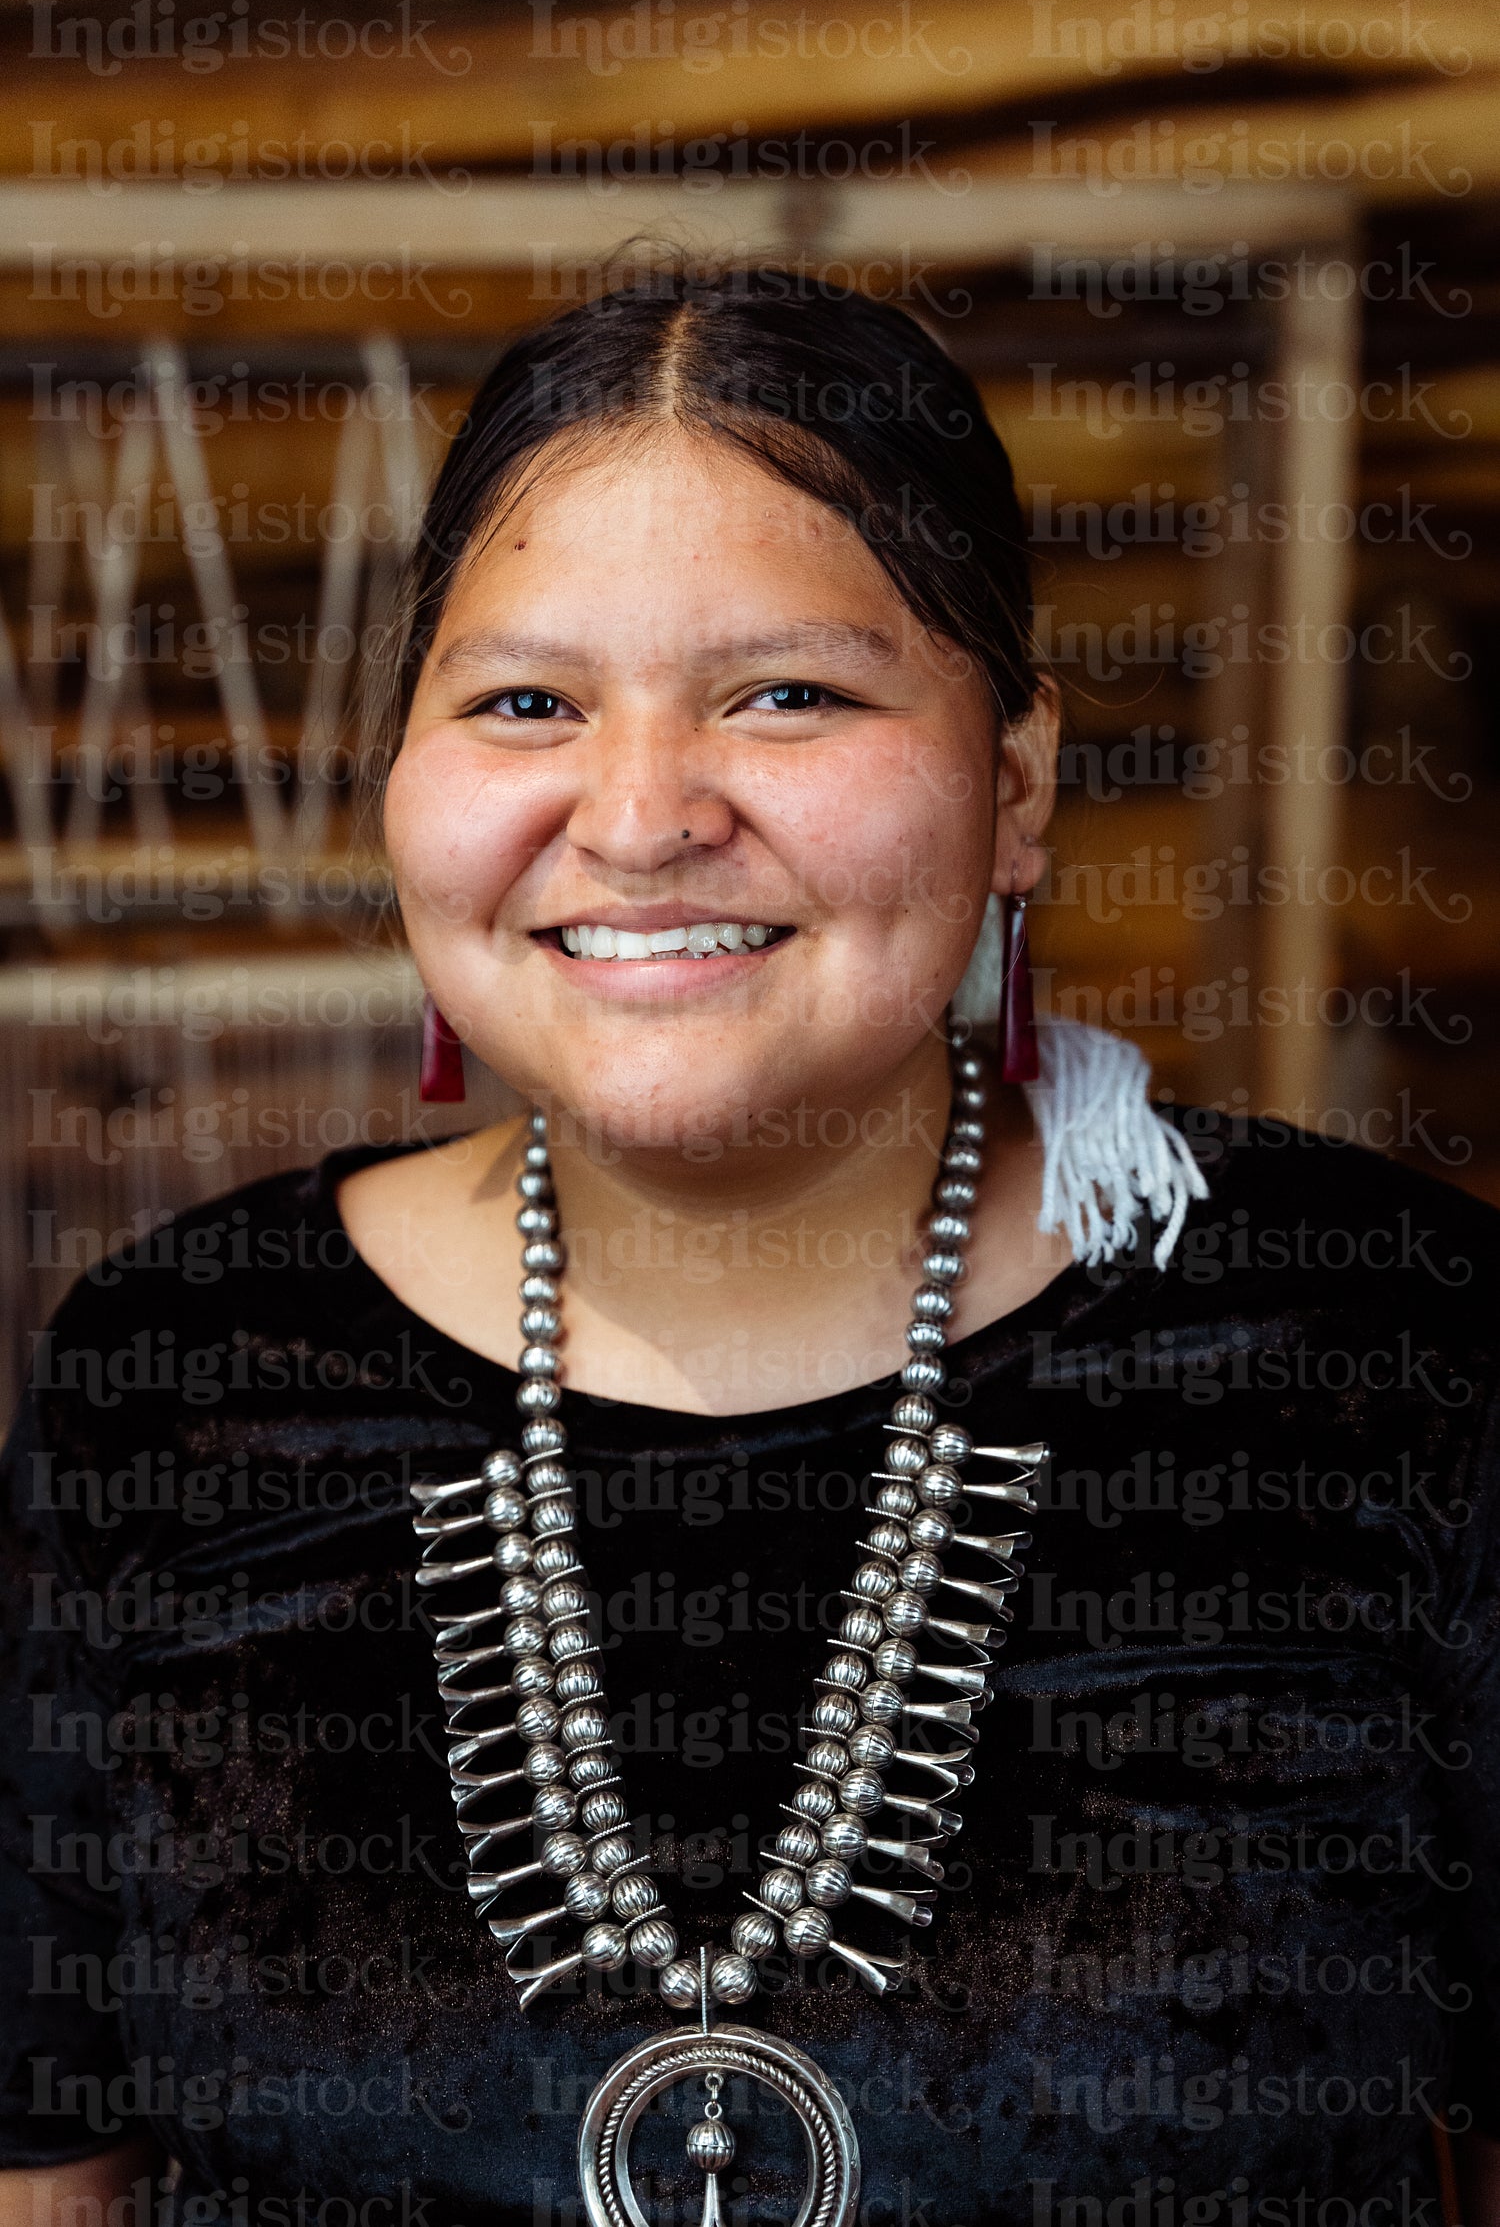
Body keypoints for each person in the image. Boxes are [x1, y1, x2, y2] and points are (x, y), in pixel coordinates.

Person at [2, 259, 1498, 2227]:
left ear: (1019, 783)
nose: (639, 815)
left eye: (786, 693)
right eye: (525, 701)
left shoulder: (1379, 1347)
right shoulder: (171, 1379)